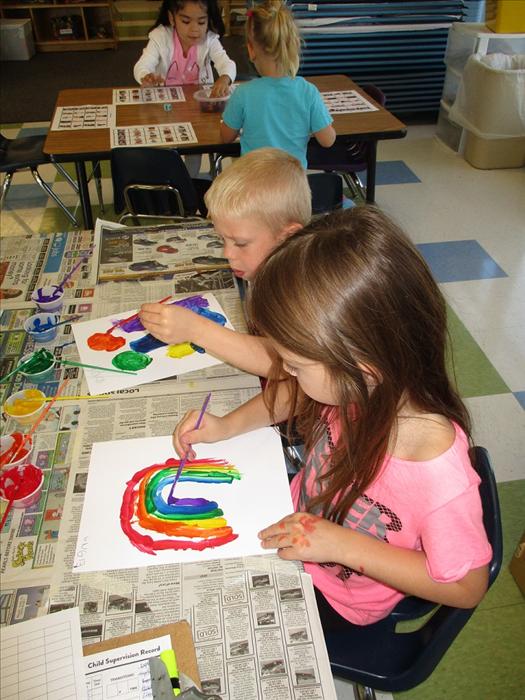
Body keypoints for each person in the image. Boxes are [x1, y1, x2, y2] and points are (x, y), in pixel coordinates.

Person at [172, 207, 492, 626]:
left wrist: (342, 546)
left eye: (296, 364)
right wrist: (227, 426)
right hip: (293, 527)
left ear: (362, 369)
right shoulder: (365, 388)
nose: (285, 373)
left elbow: (467, 588)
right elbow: (294, 396)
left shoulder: (437, 476)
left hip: (339, 595)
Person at [139, 147, 312, 377]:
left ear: (287, 237)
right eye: (222, 239)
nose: (227, 253)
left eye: (240, 243)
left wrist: (196, 329)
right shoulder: (267, 269)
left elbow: (284, 367)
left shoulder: (302, 292)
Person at [220, 0, 336, 167]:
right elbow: (327, 140)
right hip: (292, 188)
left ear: (251, 50)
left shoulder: (243, 93)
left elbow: (226, 137)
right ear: (292, 46)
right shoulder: (308, 91)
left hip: (254, 185)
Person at [133, 0, 236, 96]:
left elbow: (226, 63)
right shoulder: (160, 37)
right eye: (186, 21)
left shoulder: (210, 40)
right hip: (166, 100)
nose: (194, 29)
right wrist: (146, 76)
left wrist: (225, 78)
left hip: (199, 101)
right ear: (172, 18)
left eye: (201, 22)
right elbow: (142, 65)